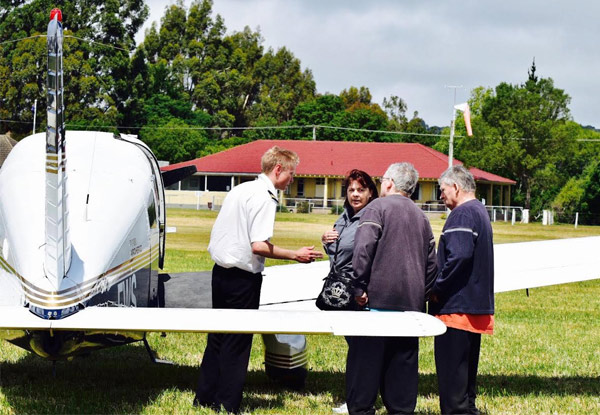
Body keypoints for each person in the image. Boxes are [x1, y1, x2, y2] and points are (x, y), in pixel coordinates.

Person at [194, 146, 323, 414]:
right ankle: (228, 404)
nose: (291, 179)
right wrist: (294, 255)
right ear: (278, 170)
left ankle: (204, 397)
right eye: (291, 173)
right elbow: (259, 246)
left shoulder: (241, 190)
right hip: (242, 279)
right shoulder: (266, 197)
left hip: (220, 273)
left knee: (217, 337)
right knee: (238, 342)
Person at [346, 162, 437, 415]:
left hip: (375, 304)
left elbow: (363, 250)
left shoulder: (376, 208)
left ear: (389, 183)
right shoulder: (422, 217)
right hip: (411, 307)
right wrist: (421, 293)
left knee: (364, 369)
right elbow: (432, 264)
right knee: (402, 371)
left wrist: (359, 287)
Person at [429, 165, 494, 415]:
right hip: (474, 306)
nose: (441, 196)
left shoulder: (462, 214)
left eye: (442, 190)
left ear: (455, 187)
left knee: (452, 385)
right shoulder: (479, 211)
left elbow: (460, 255)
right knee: (466, 386)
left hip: (456, 308)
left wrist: (437, 287)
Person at [321, 169, 379, 415]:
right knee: (355, 346)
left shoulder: (371, 217)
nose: (355, 194)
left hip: (359, 292)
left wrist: (363, 287)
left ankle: (360, 402)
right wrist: (326, 241)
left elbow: (369, 255)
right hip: (340, 291)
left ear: (370, 193)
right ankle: (360, 398)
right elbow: (338, 253)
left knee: (362, 349)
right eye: (351, 189)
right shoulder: (343, 217)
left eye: (361, 189)